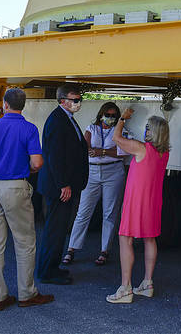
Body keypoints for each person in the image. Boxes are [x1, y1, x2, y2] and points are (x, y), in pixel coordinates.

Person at [0, 88, 54, 311]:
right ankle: (27, 294)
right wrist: (23, 168)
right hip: (15, 186)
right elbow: (37, 163)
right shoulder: (28, 129)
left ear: (5, 104)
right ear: (23, 105)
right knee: (25, 242)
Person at [106, 110, 171, 304]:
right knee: (149, 239)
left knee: (125, 238)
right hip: (153, 202)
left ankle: (125, 288)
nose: (146, 130)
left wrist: (123, 119)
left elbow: (116, 138)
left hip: (136, 201)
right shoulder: (163, 153)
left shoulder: (141, 148)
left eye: (149, 127)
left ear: (155, 132)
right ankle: (147, 283)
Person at [63, 101, 132, 267]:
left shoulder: (121, 131)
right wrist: (99, 151)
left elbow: (123, 152)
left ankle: (104, 251)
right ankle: (71, 248)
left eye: (113, 116)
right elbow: (84, 147)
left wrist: (101, 152)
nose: (109, 118)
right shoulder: (92, 128)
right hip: (92, 171)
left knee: (109, 213)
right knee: (83, 211)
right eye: (107, 115)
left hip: (113, 172)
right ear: (101, 114)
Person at [35, 84, 89, 285]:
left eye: (79, 99)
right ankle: (47, 272)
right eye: (74, 100)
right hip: (59, 187)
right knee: (55, 230)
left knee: (58, 228)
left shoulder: (66, 119)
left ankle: (52, 267)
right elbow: (55, 157)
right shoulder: (58, 121)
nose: (78, 103)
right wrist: (63, 184)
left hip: (62, 186)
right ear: (62, 101)